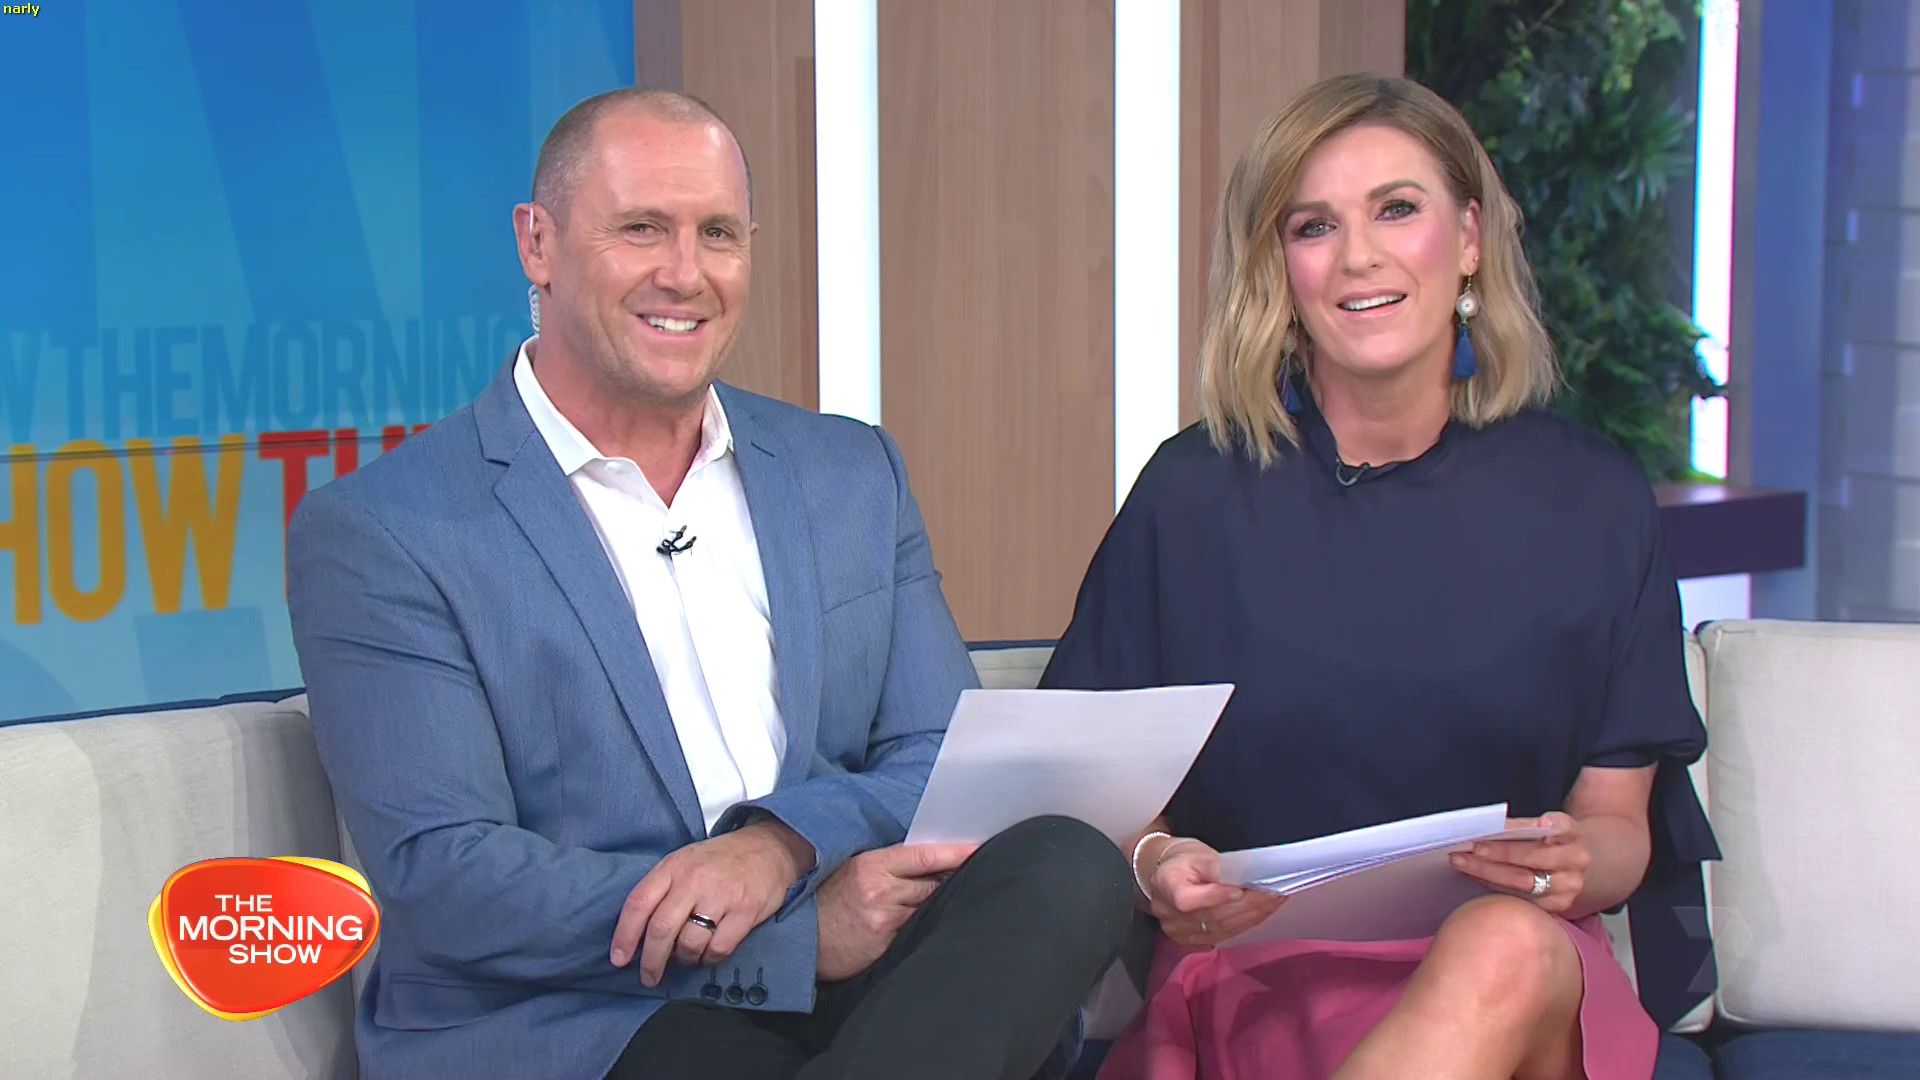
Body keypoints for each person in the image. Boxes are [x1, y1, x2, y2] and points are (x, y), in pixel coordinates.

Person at [288, 88, 1132, 1080]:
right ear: (537, 244)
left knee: (1068, 862)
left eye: (718, 234)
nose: (685, 274)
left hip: (861, 966)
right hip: (581, 1017)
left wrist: (777, 847)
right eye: (641, 228)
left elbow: (939, 755)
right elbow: (446, 874)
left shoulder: (849, 472)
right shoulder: (388, 528)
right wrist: (788, 940)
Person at [1041, 74, 1718, 1080]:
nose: (1359, 256)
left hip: (1521, 982)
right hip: (1262, 978)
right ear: (1281, 269)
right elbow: (1098, 787)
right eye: (1315, 226)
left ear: (1470, 238)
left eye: (1397, 209)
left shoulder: (1594, 500)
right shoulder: (1191, 495)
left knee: (1503, 946)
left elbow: (1619, 828)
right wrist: (1159, 864)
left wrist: (1575, 865)